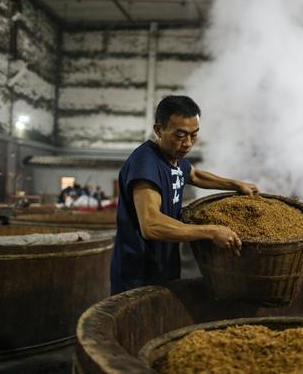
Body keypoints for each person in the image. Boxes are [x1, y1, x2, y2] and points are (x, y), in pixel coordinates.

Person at [110, 95, 258, 294]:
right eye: (180, 136)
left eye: (194, 135)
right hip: (139, 272)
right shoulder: (145, 163)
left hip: (165, 263)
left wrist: (236, 184)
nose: (188, 143)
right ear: (159, 130)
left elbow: (195, 175)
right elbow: (151, 225)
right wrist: (212, 231)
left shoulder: (173, 157)